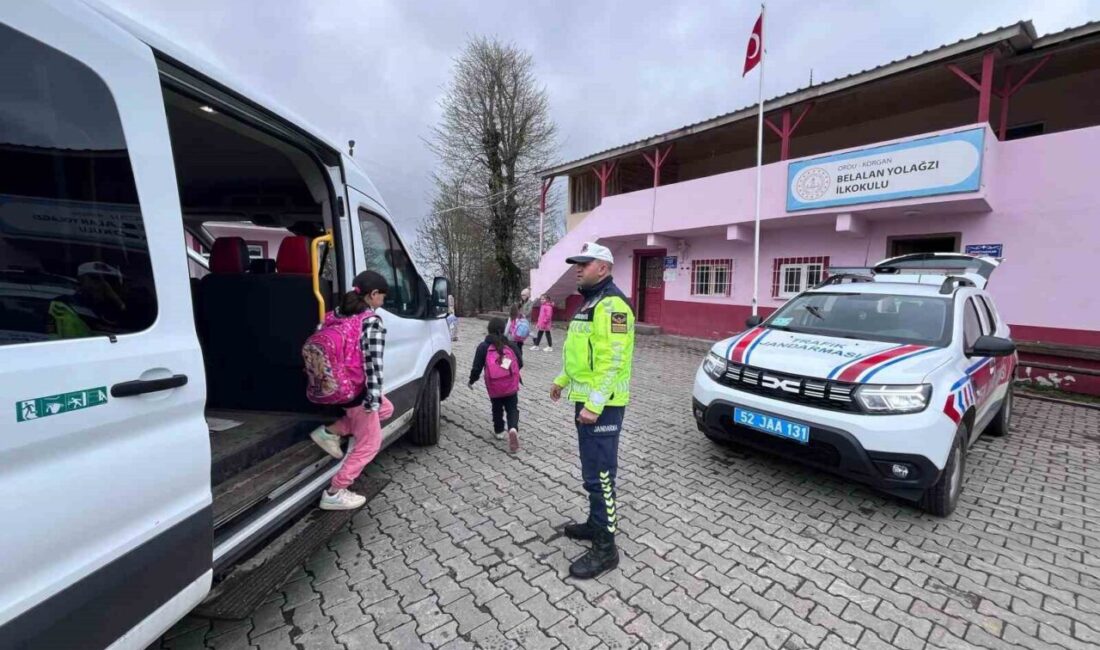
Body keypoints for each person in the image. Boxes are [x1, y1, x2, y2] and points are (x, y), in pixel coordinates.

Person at [550, 241, 635, 579]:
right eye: (576, 264)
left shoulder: (612, 305)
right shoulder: (590, 303)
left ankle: (606, 548)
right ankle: (594, 523)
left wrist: (595, 404)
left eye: (584, 264)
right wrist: (561, 380)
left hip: (603, 407)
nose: (578, 269)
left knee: (601, 476)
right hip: (585, 402)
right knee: (591, 474)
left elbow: (614, 361)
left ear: (603, 267)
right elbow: (579, 354)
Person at [308, 271, 391, 511]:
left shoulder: (334, 315)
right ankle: (335, 492)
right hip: (357, 391)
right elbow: (373, 364)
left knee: (387, 409)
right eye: (382, 297)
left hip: (335, 385)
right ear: (373, 295)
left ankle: (331, 431)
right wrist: (372, 399)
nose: (383, 302)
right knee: (370, 444)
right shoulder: (371, 321)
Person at [468, 317, 523, 453]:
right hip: (510, 384)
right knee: (512, 408)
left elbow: (477, 367)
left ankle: (499, 431)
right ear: (503, 329)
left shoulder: (483, 346)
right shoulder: (510, 345)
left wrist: (471, 380)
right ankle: (513, 428)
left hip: (494, 385)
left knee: (496, 407)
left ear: (489, 329)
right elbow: (520, 362)